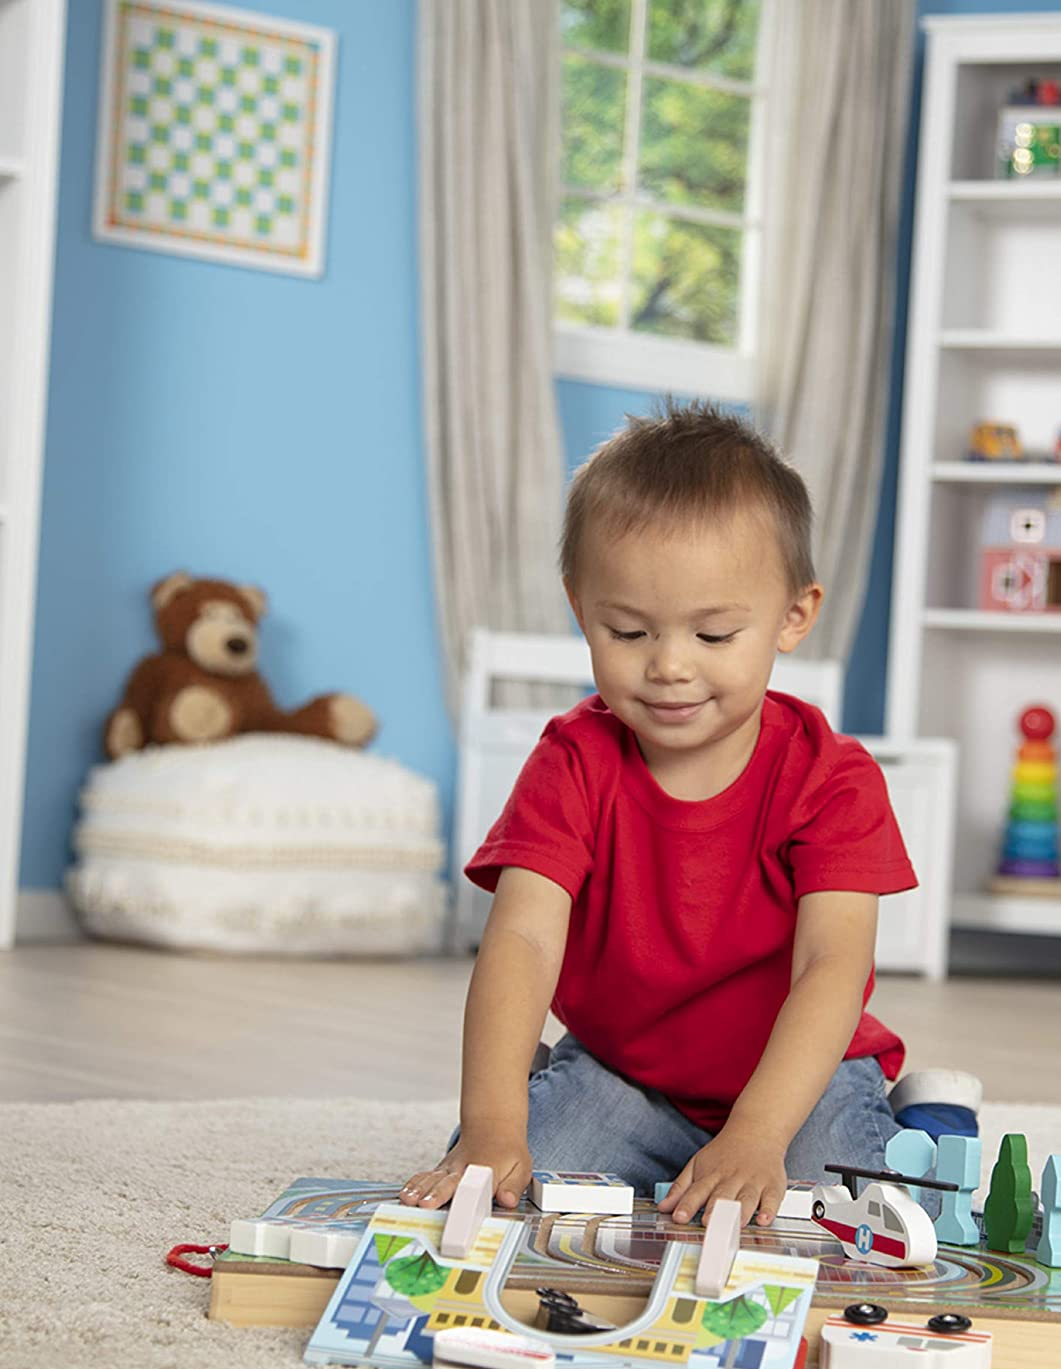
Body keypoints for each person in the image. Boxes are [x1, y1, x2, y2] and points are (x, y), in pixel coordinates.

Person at [401, 402, 962, 1229]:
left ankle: (929, 1119)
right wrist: (492, 1124)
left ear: (792, 617)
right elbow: (520, 938)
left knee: (850, 1213)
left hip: (797, 1080)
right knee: (508, 1186)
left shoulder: (832, 779)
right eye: (627, 631)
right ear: (579, 605)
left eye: (713, 634)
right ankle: (551, 1090)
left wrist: (757, 1134)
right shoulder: (571, 762)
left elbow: (830, 968)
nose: (668, 666)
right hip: (628, 1072)